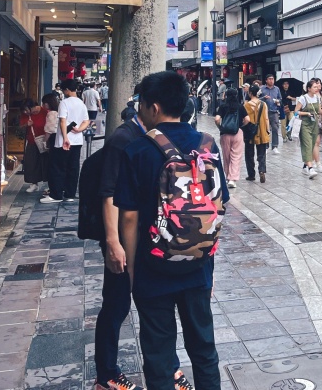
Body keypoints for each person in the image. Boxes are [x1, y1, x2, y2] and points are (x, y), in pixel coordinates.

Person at [115, 71, 228, 390]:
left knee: (159, 356)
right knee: (204, 350)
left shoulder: (138, 151)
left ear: (153, 107)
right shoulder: (208, 145)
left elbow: (129, 219)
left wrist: (133, 271)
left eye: (140, 104)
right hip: (198, 266)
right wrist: (209, 261)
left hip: (154, 268)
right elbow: (219, 205)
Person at [92, 84, 146, 390]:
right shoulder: (123, 139)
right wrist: (113, 242)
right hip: (121, 241)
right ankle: (106, 375)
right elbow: (109, 193)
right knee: (115, 305)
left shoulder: (146, 136)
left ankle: (170, 369)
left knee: (151, 304)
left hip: (142, 237)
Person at [43, 79, 90, 203]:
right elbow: (87, 121)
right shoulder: (81, 103)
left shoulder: (64, 103)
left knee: (58, 167)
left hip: (63, 141)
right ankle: (70, 194)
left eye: (64, 90)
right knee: (73, 167)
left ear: (67, 90)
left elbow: (63, 121)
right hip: (77, 141)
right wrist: (79, 129)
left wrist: (65, 138)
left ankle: (56, 195)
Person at [214, 88, 244, 189]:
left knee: (226, 156)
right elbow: (248, 119)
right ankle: (232, 179)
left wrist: (220, 128)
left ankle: (227, 177)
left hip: (225, 133)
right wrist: (241, 126)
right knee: (236, 156)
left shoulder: (223, 106)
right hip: (237, 133)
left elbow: (217, 119)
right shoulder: (240, 107)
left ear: (226, 96)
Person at [296, 78, 322, 178]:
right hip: (305, 124)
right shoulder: (303, 98)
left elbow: (319, 111)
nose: (317, 89)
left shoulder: (317, 98)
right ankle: (311, 168)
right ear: (308, 88)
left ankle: (305, 166)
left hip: (314, 124)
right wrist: (306, 113)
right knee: (307, 145)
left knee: (312, 145)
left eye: (317, 87)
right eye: (314, 87)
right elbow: (296, 112)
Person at [243, 87, 270, 183]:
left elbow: (245, 119)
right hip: (262, 130)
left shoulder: (246, 105)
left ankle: (251, 174)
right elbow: (266, 118)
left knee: (249, 154)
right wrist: (267, 130)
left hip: (250, 131)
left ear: (250, 93)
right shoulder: (263, 104)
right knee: (262, 153)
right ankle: (262, 170)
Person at [259, 75, 283, 154]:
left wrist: (278, 101)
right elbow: (256, 98)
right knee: (265, 129)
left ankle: (275, 146)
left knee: (275, 129)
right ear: (266, 80)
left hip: (274, 111)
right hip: (264, 112)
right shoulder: (262, 89)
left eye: (272, 79)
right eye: (269, 79)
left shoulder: (277, 89)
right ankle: (265, 146)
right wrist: (263, 98)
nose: (271, 81)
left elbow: (280, 98)